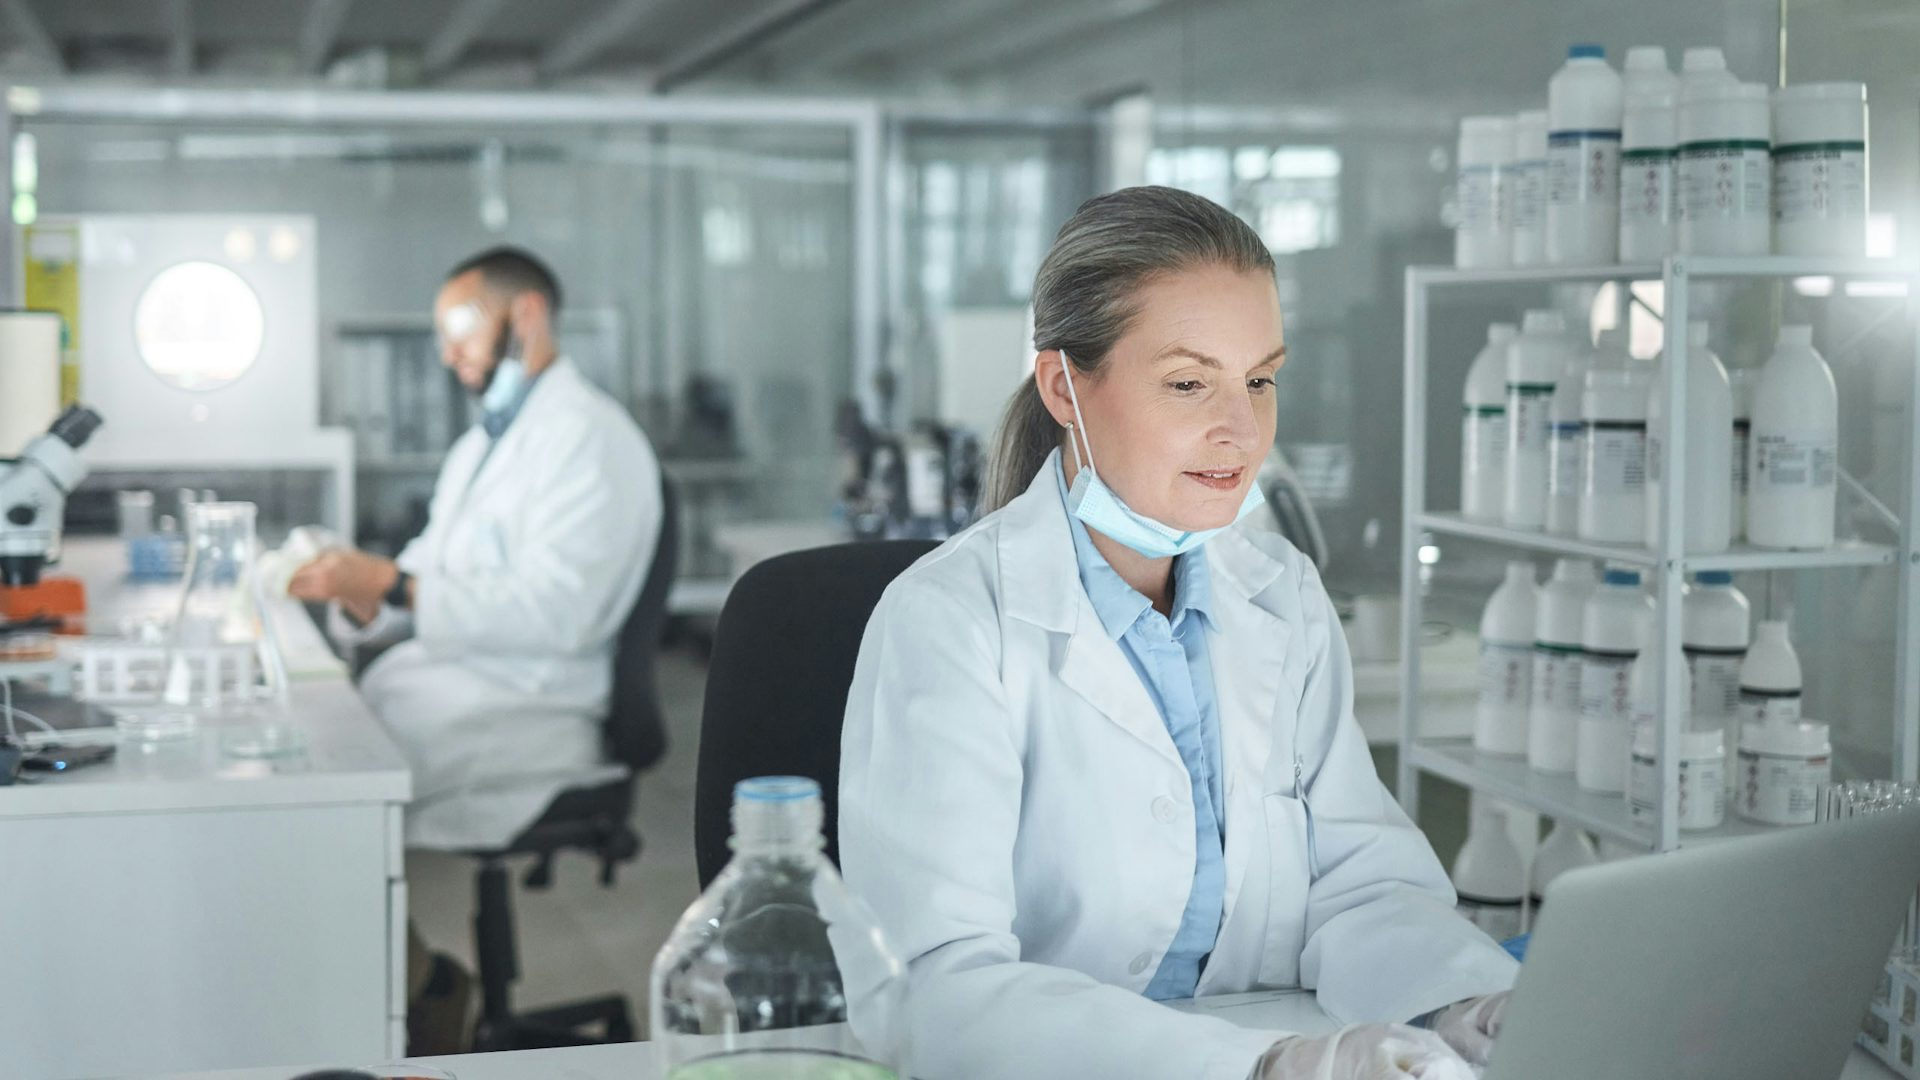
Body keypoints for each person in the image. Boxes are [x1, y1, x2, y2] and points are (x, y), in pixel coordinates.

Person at [837, 187, 1517, 1080]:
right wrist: (1267, 1067)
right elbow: (932, 989)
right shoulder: (953, 622)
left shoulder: (1283, 599)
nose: (1241, 429)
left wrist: (1466, 1004)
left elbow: (1360, 885)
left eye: (1261, 379)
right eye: (1190, 382)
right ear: (1064, 388)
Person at [288, 248, 660, 1048]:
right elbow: (421, 580)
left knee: (323, 800)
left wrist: (391, 583)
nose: (447, 352)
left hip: (536, 704)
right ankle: (412, 986)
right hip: (460, 684)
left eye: (459, 328)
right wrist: (358, 591)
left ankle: (421, 989)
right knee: (314, 779)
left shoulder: (589, 439)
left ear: (523, 314)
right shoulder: (481, 447)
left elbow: (561, 614)